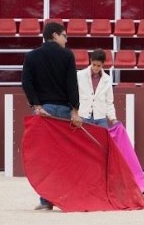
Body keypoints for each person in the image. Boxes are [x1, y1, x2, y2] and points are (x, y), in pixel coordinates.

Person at [21, 21, 82, 211]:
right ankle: (64, 197)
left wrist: (37, 105)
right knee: (65, 156)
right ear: (54, 35)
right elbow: (72, 84)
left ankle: (46, 199)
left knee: (45, 157)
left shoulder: (32, 56)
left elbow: (26, 82)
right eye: (64, 35)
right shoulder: (67, 55)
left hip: (43, 112)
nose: (66, 39)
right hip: (63, 111)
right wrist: (75, 109)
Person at [77, 49, 118, 127]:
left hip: (101, 118)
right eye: (94, 64)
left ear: (103, 64)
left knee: (102, 139)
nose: (95, 68)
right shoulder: (80, 75)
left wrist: (113, 119)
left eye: (98, 66)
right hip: (83, 116)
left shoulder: (107, 79)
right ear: (90, 61)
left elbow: (109, 102)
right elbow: (75, 96)